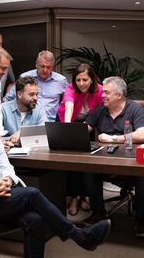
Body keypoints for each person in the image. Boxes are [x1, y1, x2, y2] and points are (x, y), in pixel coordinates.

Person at [0, 86, 111, 258]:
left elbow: (6, 167)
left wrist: (7, 179)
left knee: (34, 220)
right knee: (31, 194)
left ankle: (80, 237)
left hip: (2, 192)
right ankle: (80, 236)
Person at [82, 76, 144, 238]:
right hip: (106, 159)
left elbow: (142, 135)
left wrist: (114, 138)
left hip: (132, 159)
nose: (102, 95)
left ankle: (141, 220)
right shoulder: (100, 110)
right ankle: (98, 213)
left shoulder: (135, 108)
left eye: (106, 92)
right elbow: (84, 129)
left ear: (119, 95)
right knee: (87, 168)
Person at [55, 63, 103, 216]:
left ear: (92, 80)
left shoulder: (100, 90)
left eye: (85, 80)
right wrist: (69, 131)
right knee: (72, 160)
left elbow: (101, 114)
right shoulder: (70, 88)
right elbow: (68, 107)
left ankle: (84, 196)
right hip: (67, 122)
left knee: (86, 160)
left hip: (88, 124)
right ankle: (74, 197)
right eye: (78, 80)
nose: (81, 84)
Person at [3, 50, 68, 121]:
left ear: (53, 67)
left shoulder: (61, 80)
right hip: (29, 121)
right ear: (36, 64)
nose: (45, 70)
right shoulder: (25, 77)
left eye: (48, 67)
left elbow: (70, 100)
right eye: (42, 66)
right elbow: (8, 99)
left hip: (51, 122)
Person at [2, 76, 47, 143]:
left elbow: (44, 131)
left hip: (33, 150)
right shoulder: (3, 109)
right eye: (31, 94)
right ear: (19, 94)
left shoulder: (39, 110)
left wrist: (22, 133)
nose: (36, 98)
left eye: (36, 94)